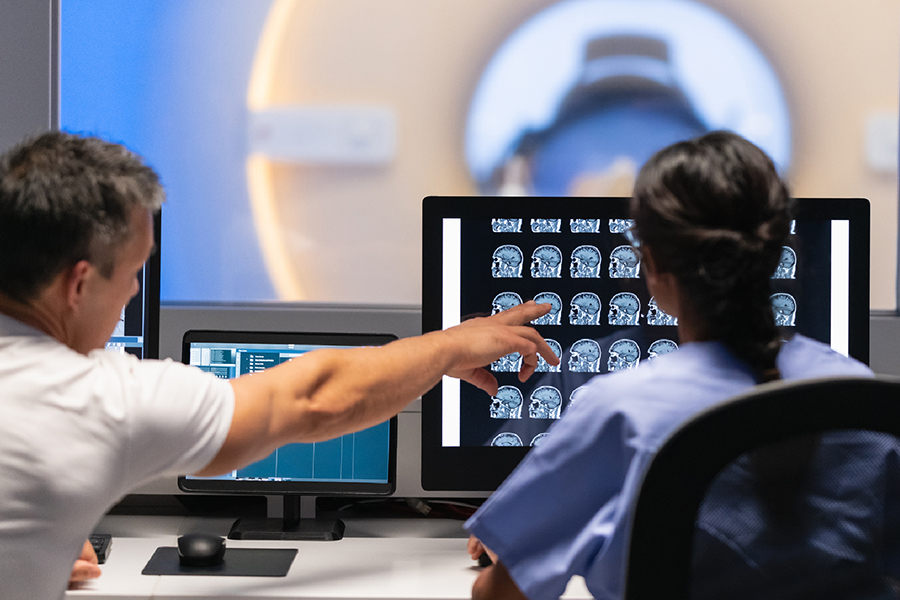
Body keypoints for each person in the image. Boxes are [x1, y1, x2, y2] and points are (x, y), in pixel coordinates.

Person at [0, 131, 557, 600]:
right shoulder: (95, 401)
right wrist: (452, 346)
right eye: (132, 275)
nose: (134, 293)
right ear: (77, 284)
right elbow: (314, 399)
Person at [464, 131, 882, 600]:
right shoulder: (862, 397)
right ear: (774, 255)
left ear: (652, 265)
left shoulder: (619, 411)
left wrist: (523, 541)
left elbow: (496, 596)